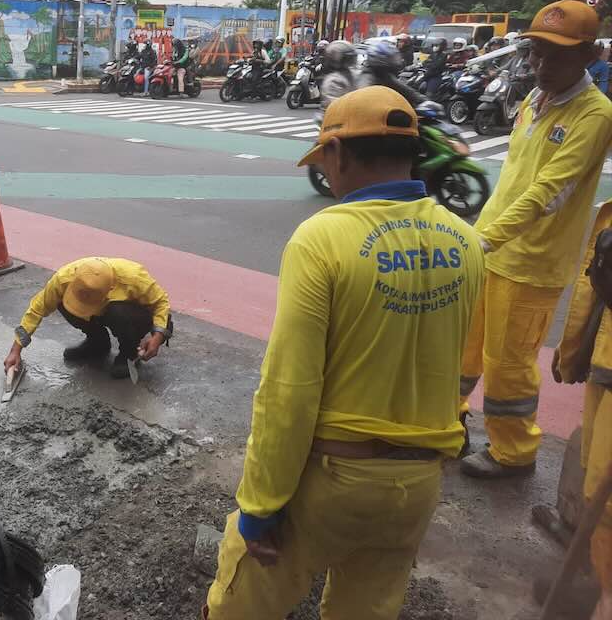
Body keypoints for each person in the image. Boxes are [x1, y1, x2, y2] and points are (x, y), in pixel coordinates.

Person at [205, 86, 484, 620]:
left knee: (238, 607)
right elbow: (454, 369)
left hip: (335, 482)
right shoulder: (465, 241)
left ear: (339, 153)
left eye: (326, 161)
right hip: (418, 486)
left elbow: (288, 389)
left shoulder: (322, 238)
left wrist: (261, 505)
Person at [460, 0, 612, 479]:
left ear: (589, 54)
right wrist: (478, 235)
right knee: (461, 349)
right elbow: (511, 179)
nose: (540, 66)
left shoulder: (595, 116)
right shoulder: (531, 100)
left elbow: (549, 192)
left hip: (532, 264)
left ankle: (513, 452)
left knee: (509, 364)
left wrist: (486, 241)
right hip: (490, 247)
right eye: (536, 53)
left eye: (556, 56)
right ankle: (447, 423)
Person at [552, 199, 612, 620]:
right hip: (605, 360)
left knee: (607, 499)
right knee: (597, 482)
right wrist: (575, 351)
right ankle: (601, 584)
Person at [3, 257, 172, 380]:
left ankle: (128, 352)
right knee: (61, 301)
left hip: (129, 314)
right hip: (104, 312)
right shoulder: (64, 278)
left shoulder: (133, 277)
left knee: (118, 312)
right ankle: (97, 343)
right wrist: (15, 351)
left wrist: (157, 337)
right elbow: (37, 309)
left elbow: (161, 303)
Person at [359, 40, 427, 108]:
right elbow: (367, 105)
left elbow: (404, 89)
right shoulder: (367, 81)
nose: (396, 62)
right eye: (392, 59)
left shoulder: (384, 76)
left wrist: (424, 101)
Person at [318, 40, 358, 107]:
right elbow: (334, 104)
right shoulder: (334, 80)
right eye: (346, 58)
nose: (348, 61)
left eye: (349, 58)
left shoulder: (354, 75)